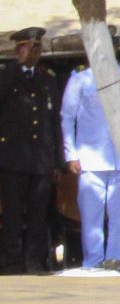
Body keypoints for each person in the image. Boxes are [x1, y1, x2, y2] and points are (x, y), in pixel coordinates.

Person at [60, 33, 120, 269]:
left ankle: (117, 260)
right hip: (90, 159)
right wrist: (72, 154)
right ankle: (93, 262)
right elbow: (67, 118)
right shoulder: (81, 78)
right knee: (91, 218)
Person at [1, 27, 62, 274]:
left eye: (37, 48)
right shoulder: (7, 75)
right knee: (13, 216)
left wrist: (58, 161)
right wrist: (16, 65)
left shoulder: (47, 78)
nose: (34, 52)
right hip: (13, 159)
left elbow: (54, 121)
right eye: (29, 47)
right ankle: (12, 264)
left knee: (38, 215)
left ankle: (34, 262)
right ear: (18, 49)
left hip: (42, 159)